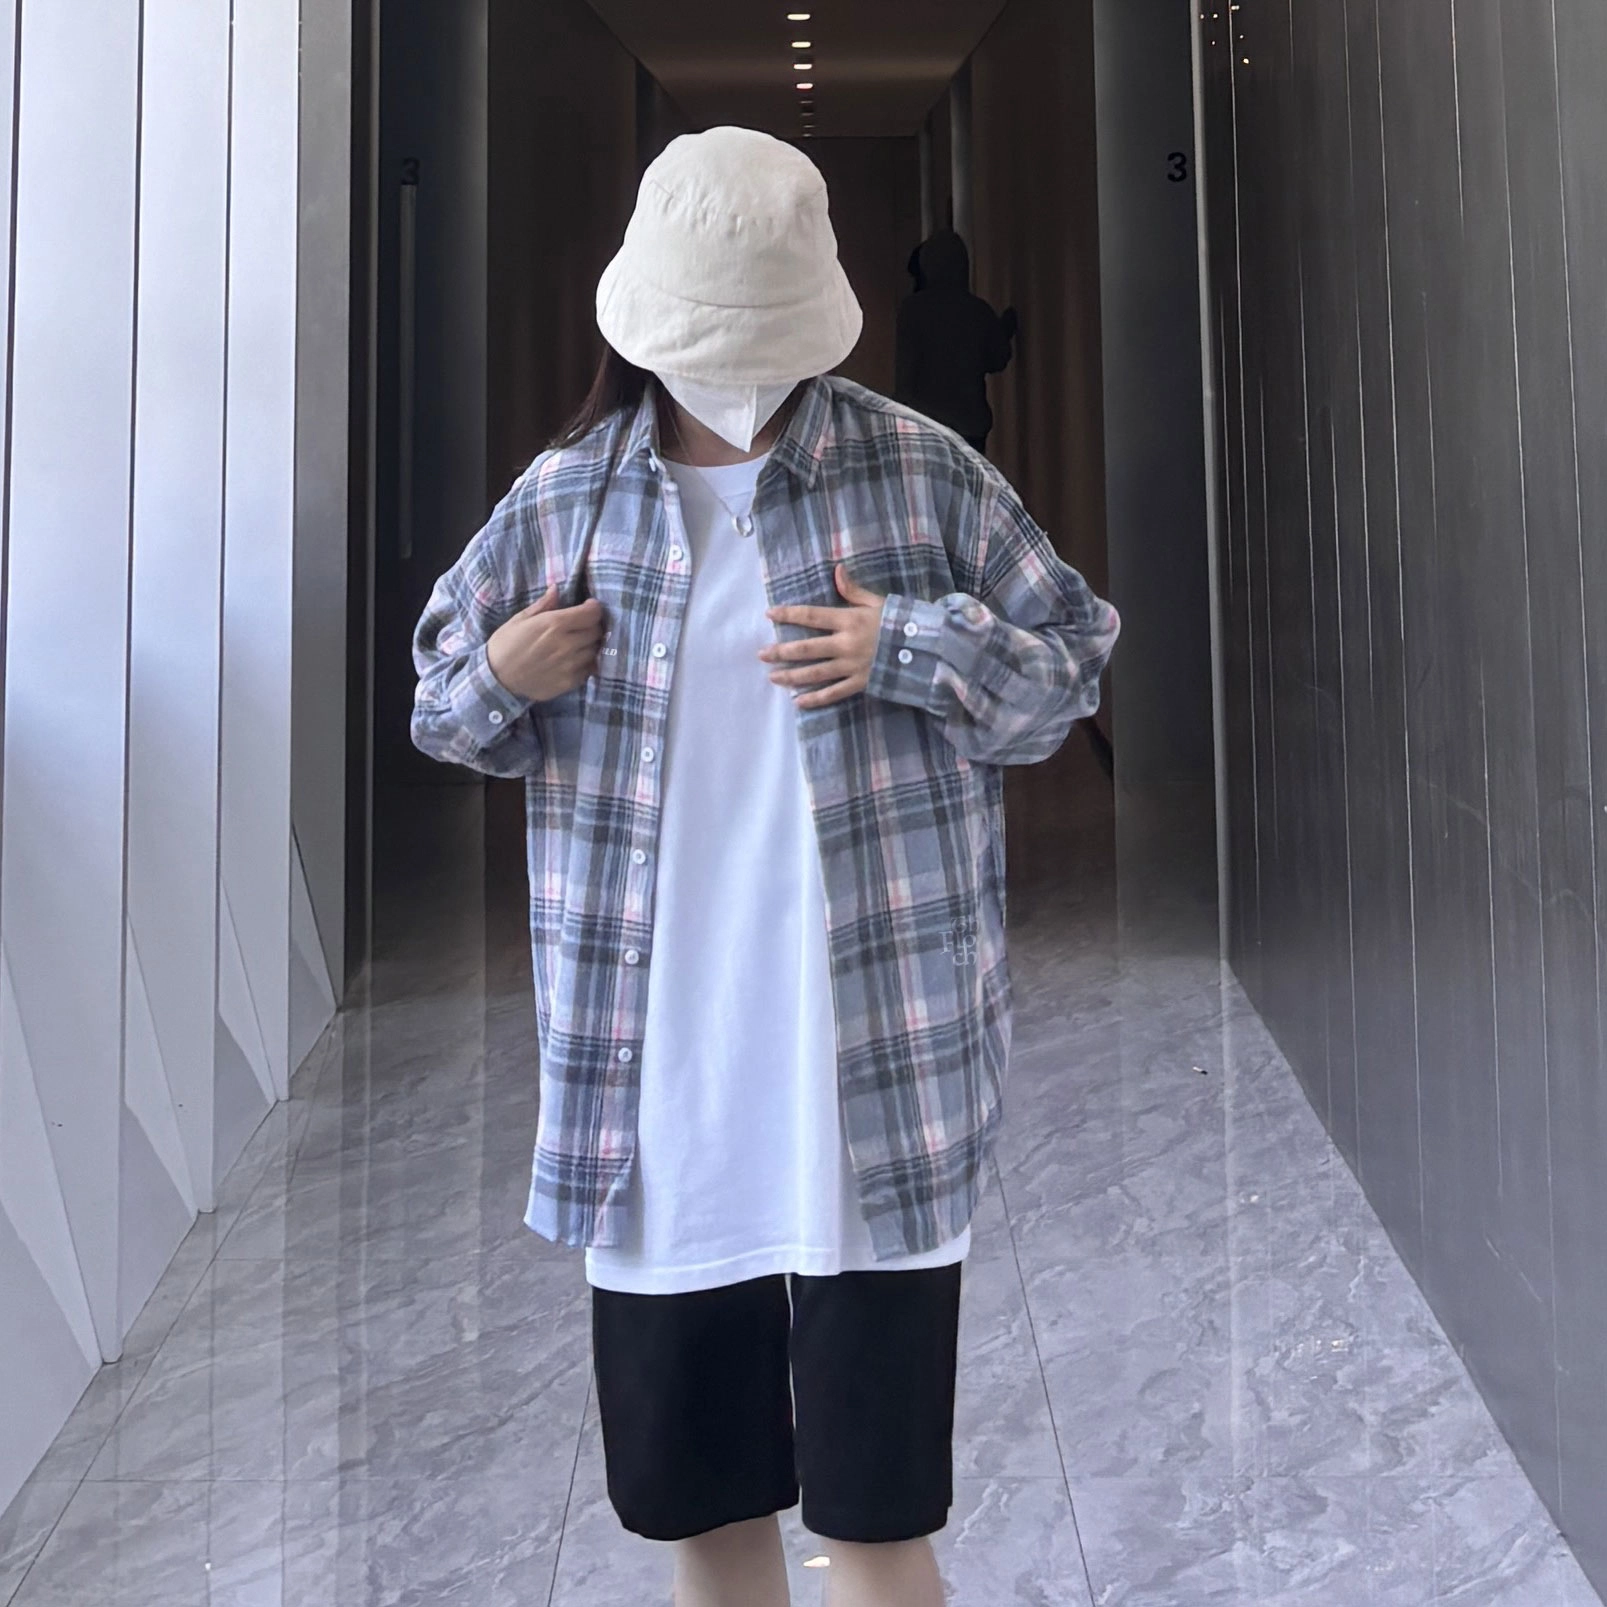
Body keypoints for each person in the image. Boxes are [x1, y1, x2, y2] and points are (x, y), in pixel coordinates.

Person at [411, 126, 1118, 1607]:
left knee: (876, 1521)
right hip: (656, 1093)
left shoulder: (919, 475)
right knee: (705, 1513)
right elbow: (441, 705)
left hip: (870, 1079)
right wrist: (505, 672)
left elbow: (1069, 670)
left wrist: (907, 644)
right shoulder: (564, 503)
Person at [894, 229, 1017, 456]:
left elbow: (905, 371)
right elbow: (997, 359)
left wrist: (899, 416)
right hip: (969, 425)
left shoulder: (913, 310)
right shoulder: (977, 311)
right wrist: (1005, 329)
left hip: (925, 425)